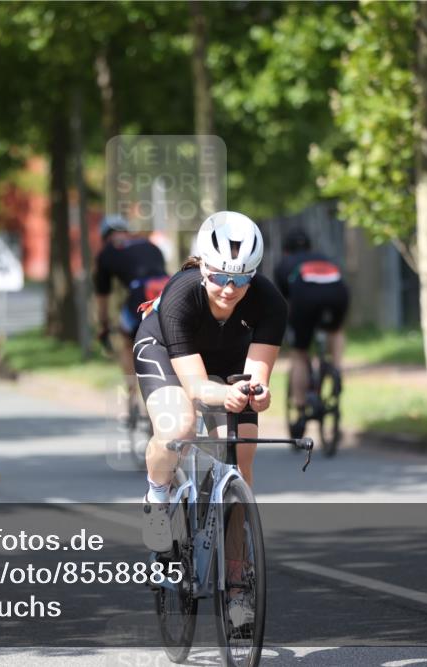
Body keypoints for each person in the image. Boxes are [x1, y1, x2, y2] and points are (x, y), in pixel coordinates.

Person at [134, 212, 285, 617]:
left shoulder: (270, 302)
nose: (229, 289)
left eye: (241, 279)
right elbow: (198, 388)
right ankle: (157, 495)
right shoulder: (182, 294)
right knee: (178, 427)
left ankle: (238, 585)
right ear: (203, 266)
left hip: (227, 359)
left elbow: (256, 378)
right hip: (167, 353)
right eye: (220, 277)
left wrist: (257, 393)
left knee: (243, 456)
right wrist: (225, 394)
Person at [273, 227, 350, 424]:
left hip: (305, 297)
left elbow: (285, 301)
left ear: (286, 250)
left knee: (299, 354)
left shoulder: (285, 263)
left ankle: (300, 409)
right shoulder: (324, 257)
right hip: (337, 293)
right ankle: (336, 368)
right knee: (336, 329)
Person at [94, 215, 169, 405]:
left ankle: (132, 394)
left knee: (126, 339)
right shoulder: (149, 244)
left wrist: (102, 326)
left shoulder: (107, 252)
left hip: (140, 295)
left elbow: (102, 297)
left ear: (105, 236)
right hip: (168, 291)